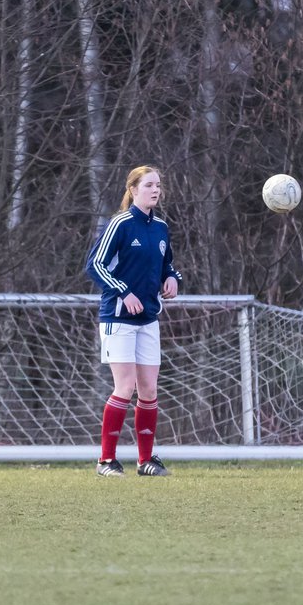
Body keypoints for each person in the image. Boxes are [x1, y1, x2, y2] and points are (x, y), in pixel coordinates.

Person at [84, 165, 183, 477]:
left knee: (149, 390)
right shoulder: (121, 223)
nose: (155, 190)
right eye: (148, 185)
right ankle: (106, 461)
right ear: (133, 189)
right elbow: (95, 264)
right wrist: (123, 292)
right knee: (124, 387)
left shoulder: (161, 228)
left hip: (148, 318)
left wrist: (173, 278)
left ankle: (145, 461)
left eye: (157, 185)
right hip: (118, 317)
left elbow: (167, 265)